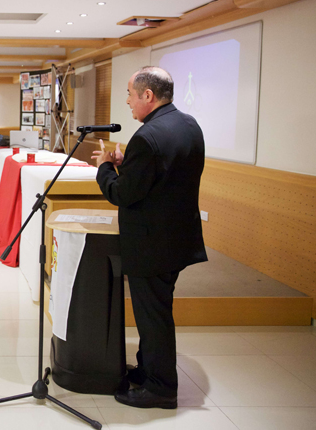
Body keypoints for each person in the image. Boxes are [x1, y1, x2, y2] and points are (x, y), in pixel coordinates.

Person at [92, 66, 207, 410]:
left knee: (152, 316)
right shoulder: (188, 124)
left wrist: (105, 167)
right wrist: (130, 163)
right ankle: (148, 370)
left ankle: (161, 388)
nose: (127, 101)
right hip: (177, 238)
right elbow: (165, 175)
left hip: (151, 242)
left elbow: (123, 194)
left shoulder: (146, 137)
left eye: (130, 94)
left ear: (148, 96)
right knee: (156, 311)